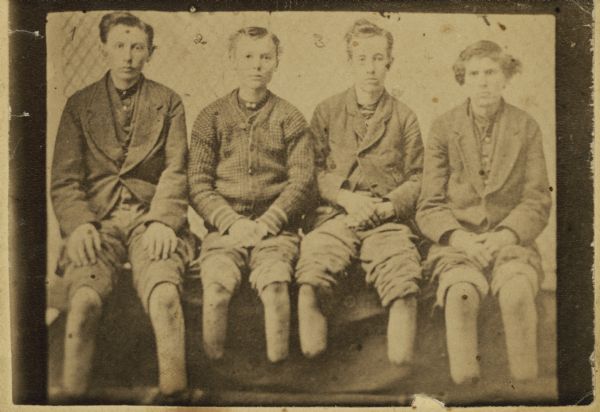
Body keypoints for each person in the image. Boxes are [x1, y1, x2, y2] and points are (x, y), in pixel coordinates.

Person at [51, 12, 194, 403]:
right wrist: (79, 224)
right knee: (82, 302)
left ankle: (174, 396)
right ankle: (71, 399)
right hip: (97, 222)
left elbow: (176, 170)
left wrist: (164, 221)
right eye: (119, 46)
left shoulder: (168, 103)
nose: (128, 56)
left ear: (150, 52)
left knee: (165, 297)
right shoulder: (80, 105)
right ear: (104, 49)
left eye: (137, 47)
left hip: (151, 220)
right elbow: (65, 180)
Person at [416, 40, 552, 384]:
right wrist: (460, 238)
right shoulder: (444, 128)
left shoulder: (526, 126)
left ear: (506, 76)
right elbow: (429, 204)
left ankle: (526, 390)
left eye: (491, 72)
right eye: (474, 73)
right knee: (461, 294)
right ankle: (467, 389)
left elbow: (536, 199)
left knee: (518, 291)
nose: (483, 81)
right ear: (463, 79)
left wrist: (505, 235)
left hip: (510, 241)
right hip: (458, 244)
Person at [294, 19, 423, 365]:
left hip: (385, 220)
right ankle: (315, 366)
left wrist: (388, 207)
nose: (370, 68)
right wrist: (345, 197)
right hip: (337, 217)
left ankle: (400, 372)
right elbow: (311, 172)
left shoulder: (404, 117)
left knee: (403, 279)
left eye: (378, 58)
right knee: (312, 273)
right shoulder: (326, 111)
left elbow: (418, 177)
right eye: (362, 58)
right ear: (349, 62)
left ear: (389, 63)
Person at [188, 26, 314, 363]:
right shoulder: (210, 117)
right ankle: (214, 375)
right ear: (232, 60)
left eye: (265, 57)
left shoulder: (290, 117)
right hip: (224, 231)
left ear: (276, 62)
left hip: (276, 230)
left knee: (275, 286)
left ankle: (277, 374)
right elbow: (198, 183)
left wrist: (268, 222)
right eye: (247, 56)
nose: (256, 65)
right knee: (215, 287)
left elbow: (302, 181)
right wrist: (230, 223)